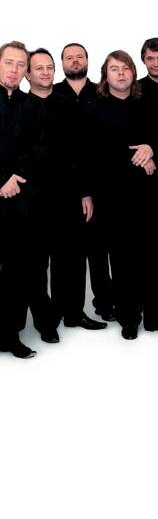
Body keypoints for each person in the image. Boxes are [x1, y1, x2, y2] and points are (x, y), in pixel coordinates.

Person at [86, 50, 158, 340]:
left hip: (153, 195)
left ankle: (155, 317)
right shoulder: (94, 108)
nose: (121, 74)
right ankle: (129, 318)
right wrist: (138, 157)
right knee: (123, 260)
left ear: (133, 73)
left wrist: (152, 149)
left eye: (125, 68)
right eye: (114, 69)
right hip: (115, 197)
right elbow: (92, 153)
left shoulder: (149, 103)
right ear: (106, 76)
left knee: (157, 258)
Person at [26, 48, 93, 343]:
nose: (45, 72)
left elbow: (80, 152)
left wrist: (85, 193)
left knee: (72, 259)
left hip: (68, 194)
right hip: (32, 198)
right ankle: (46, 321)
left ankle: (74, 313)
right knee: (38, 263)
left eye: (49, 67)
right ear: (28, 74)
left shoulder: (68, 105)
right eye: (39, 68)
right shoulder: (21, 106)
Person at [54, 43, 112, 327]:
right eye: (69, 57)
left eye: (80, 56)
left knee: (100, 250)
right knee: (68, 253)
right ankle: (68, 310)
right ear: (62, 63)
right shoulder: (53, 94)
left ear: (88, 60)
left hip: (101, 184)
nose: (75, 61)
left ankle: (105, 304)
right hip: (65, 186)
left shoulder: (101, 93)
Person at [0, 41, 47, 358]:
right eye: (9, 62)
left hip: (20, 199)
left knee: (16, 273)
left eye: (20, 64)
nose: (14, 69)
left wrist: (16, 177)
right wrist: (2, 179)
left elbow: (39, 149)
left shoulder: (31, 106)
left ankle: (9, 335)